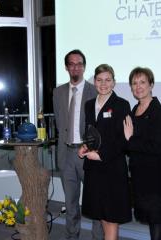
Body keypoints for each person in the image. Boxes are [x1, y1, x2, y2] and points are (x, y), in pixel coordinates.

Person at [53, 49, 103, 240]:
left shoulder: (94, 90)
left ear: (84, 66)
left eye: (79, 63)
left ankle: (98, 237)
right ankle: (71, 236)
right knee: (70, 203)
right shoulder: (58, 93)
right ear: (67, 67)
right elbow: (60, 124)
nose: (76, 67)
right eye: (72, 64)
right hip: (66, 154)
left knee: (93, 202)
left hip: (87, 154)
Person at [78, 64, 132, 240]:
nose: (103, 84)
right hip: (94, 170)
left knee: (111, 217)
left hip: (112, 168)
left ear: (114, 82)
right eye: (100, 80)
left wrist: (101, 155)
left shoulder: (122, 105)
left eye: (108, 80)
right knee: (101, 215)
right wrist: (85, 146)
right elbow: (91, 133)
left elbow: (123, 140)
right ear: (94, 82)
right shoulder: (88, 105)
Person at [123, 67, 161, 240]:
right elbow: (126, 143)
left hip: (154, 175)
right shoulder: (133, 111)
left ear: (151, 85)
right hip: (138, 174)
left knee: (156, 219)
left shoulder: (159, 111)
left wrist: (130, 140)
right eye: (134, 83)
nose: (138, 87)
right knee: (148, 217)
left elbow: (157, 146)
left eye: (142, 82)